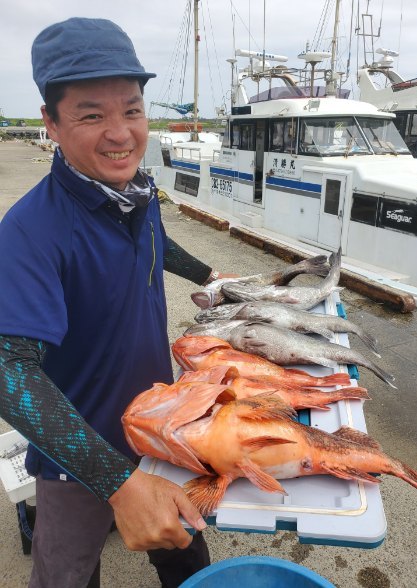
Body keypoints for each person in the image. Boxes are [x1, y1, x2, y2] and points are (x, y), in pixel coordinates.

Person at [0, 17, 231, 588]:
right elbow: (8, 369)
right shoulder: (29, 232)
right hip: (77, 454)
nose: (120, 133)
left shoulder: (137, 193)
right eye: (91, 115)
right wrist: (118, 484)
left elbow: (155, 241)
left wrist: (210, 275)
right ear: (51, 123)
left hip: (162, 426)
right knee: (66, 576)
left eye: (132, 110)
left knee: (185, 553)